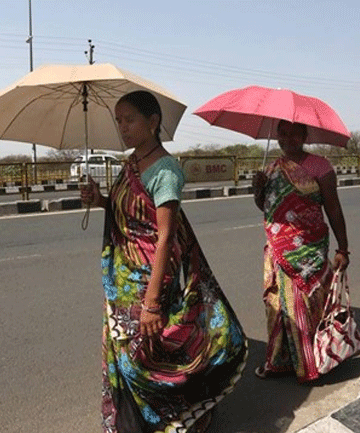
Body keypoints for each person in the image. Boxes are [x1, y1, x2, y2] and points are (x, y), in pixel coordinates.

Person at [81, 90, 247, 433]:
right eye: (119, 121)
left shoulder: (165, 171)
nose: (123, 128)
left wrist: (153, 303)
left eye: (130, 120)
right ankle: (135, 424)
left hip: (150, 279)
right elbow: (124, 213)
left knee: (151, 357)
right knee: (127, 354)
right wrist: (99, 199)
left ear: (153, 122)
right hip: (124, 277)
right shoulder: (130, 165)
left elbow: (165, 236)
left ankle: (180, 415)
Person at [252, 120, 350, 382]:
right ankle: (279, 360)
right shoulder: (272, 168)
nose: (288, 138)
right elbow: (266, 207)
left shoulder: (320, 166)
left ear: (304, 135)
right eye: (282, 133)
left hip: (309, 246)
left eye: (294, 132)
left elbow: (334, 208)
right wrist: (258, 188)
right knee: (277, 304)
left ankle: (312, 362)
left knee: (304, 304)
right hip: (278, 248)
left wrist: (343, 248)